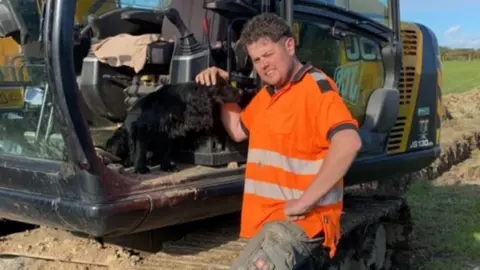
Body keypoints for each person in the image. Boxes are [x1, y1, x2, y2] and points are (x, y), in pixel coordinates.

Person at [195, 13, 362, 269]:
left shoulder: (315, 88)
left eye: (269, 54)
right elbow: (239, 130)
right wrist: (223, 89)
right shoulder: (269, 95)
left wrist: (305, 202)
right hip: (267, 220)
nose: (263, 65)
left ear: (289, 46)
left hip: (300, 221)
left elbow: (349, 142)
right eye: (257, 59)